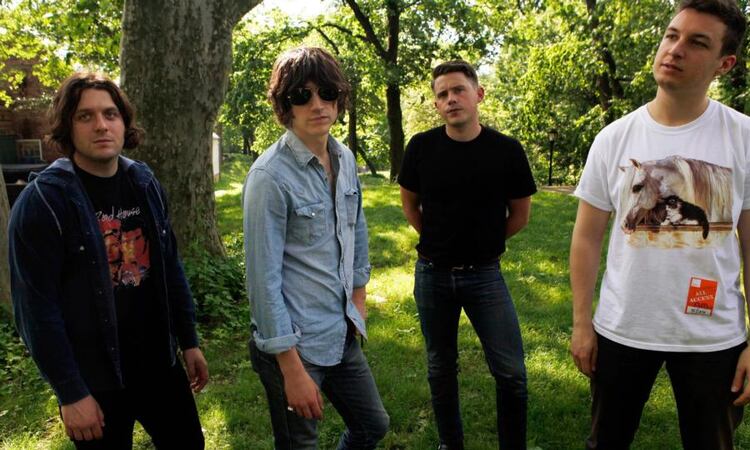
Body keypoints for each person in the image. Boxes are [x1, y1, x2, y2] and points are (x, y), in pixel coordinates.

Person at [569, 1, 750, 449]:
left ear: (724, 64)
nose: (675, 49)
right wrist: (582, 323)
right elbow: (587, 238)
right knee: (605, 442)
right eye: (672, 35)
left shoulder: (748, 137)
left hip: (713, 335)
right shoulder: (613, 137)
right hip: (622, 328)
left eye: (697, 42)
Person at [9, 73, 208, 449]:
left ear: (124, 122)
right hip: (94, 380)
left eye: (110, 114)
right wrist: (70, 392)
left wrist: (188, 341)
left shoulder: (144, 183)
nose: (101, 125)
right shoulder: (44, 203)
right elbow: (35, 308)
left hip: (159, 366)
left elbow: (170, 267)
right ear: (68, 126)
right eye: (85, 116)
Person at [243, 47, 389, 449]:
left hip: (339, 331)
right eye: (301, 95)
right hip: (294, 345)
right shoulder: (269, 177)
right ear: (284, 105)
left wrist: (358, 298)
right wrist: (291, 369)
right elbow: (262, 282)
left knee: (372, 425)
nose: (317, 104)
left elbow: (356, 229)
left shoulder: (345, 158)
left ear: (339, 98)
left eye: (327, 92)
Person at [398, 59, 536, 450]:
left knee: (511, 372)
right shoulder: (421, 147)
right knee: (440, 367)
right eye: (442, 94)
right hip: (432, 275)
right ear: (436, 104)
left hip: (485, 276)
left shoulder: (506, 151)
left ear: (479, 94)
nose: (451, 99)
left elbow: (520, 215)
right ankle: (450, 443)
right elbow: (410, 204)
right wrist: (439, 239)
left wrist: (484, 243)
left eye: (458, 90)